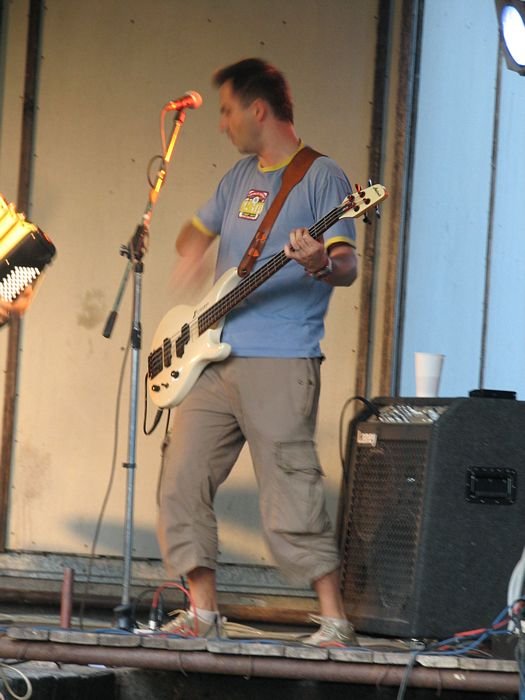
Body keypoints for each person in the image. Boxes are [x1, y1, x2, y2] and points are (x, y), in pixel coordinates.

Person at [156, 58, 359, 647]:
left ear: (258, 109)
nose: (222, 123)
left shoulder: (322, 176)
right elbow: (194, 231)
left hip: (281, 358)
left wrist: (319, 262)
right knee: (181, 480)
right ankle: (202, 612)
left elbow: (346, 264)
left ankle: (335, 621)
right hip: (212, 358)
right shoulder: (237, 178)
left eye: (227, 111)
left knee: (290, 488)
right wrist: (193, 250)